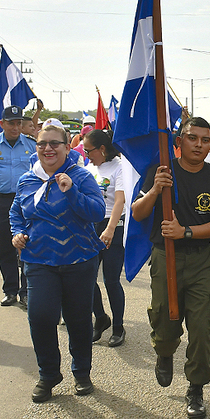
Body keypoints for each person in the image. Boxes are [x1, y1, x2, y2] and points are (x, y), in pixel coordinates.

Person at [131, 117, 210, 419]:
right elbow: (137, 213)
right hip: (165, 257)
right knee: (164, 318)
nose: (199, 144)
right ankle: (164, 351)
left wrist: (184, 231)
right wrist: (154, 190)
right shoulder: (161, 171)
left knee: (201, 326)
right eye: (192, 138)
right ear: (179, 141)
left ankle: (196, 387)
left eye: (204, 139)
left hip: (200, 258)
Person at [10, 124, 105, 402]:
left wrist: (72, 191)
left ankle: (81, 372)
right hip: (39, 260)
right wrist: (17, 232)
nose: (48, 148)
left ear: (67, 147)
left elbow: (97, 212)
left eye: (54, 143)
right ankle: (48, 374)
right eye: (42, 144)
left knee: (77, 320)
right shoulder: (27, 180)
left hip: (79, 259)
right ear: (36, 147)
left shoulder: (81, 176)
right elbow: (17, 211)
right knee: (40, 317)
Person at [0, 105, 38, 308]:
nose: (15, 127)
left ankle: (26, 291)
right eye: (11, 123)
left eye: (19, 123)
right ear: (2, 124)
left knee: (27, 243)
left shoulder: (30, 144)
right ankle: (10, 290)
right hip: (1, 200)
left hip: (25, 200)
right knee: (5, 246)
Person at [83, 129, 127, 347]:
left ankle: (118, 327)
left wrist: (109, 229)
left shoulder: (119, 167)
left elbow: (120, 201)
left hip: (114, 225)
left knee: (111, 280)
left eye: (88, 150)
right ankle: (101, 318)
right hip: (91, 226)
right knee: (87, 278)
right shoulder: (88, 168)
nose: (86, 154)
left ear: (102, 149)